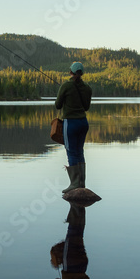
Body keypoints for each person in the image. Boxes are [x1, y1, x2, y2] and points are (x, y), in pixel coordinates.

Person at [54, 61, 91, 192]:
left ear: (71, 72)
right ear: (81, 73)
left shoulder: (66, 86)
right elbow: (86, 107)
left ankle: (75, 184)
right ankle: (81, 183)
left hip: (71, 123)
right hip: (83, 123)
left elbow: (58, 105)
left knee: (71, 151)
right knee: (80, 151)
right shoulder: (87, 87)